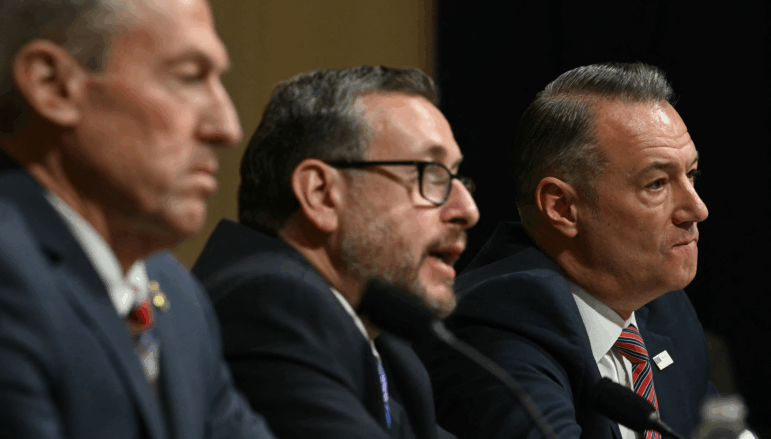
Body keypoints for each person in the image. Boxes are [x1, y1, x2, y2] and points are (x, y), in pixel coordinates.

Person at [0, 0, 275, 438]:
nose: (227, 127)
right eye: (189, 77)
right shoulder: (9, 273)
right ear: (53, 86)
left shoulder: (176, 294)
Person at [417, 63, 719, 439]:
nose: (697, 210)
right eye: (656, 184)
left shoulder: (662, 307)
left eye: (690, 176)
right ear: (561, 207)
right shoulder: (497, 323)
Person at [193, 66, 479, 438]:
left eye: (457, 178)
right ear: (321, 194)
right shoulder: (271, 303)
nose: (467, 209)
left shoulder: (385, 342)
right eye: (431, 174)